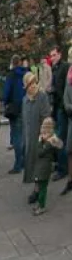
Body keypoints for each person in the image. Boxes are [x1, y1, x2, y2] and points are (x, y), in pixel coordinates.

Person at [21, 71, 52, 203]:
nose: (33, 86)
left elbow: (47, 117)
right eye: (29, 84)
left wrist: (44, 136)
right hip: (29, 138)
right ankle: (36, 188)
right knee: (32, 164)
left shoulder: (42, 96)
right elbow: (24, 120)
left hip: (40, 137)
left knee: (40, 166)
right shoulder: (24, 100)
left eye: (34, 82)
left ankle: (38, 191)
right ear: (25, 86)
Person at [3, 55, 29, 175]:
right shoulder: (27, 73)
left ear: (12, 63)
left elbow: (6, 93)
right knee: (24, 135)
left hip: (15, 108)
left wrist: (6, 101)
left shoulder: (11, 75)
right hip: (27, 106)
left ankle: (18, 164)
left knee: (17, 137)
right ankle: (25, 161)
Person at [32, 118, 63, 216]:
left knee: (42, 188)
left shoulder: (48, 142)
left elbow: (40, 152)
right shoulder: (49, 139)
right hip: (41, 166)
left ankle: (42, 206)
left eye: (43, 127)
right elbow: (60, 145)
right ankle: (40, 204)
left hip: (44, 167)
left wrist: (40, 142)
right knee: (40, 186)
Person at [48, 45, 69, 182]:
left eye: (54, 55)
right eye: (51, 55)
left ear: (60, 55)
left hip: (62, 107)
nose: (52, 58)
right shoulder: (54, 68)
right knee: (55, 136)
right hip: (55, 107)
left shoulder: (65, 67)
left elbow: (66, 88)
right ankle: (59, 164)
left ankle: (62, 169)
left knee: (61, 138)